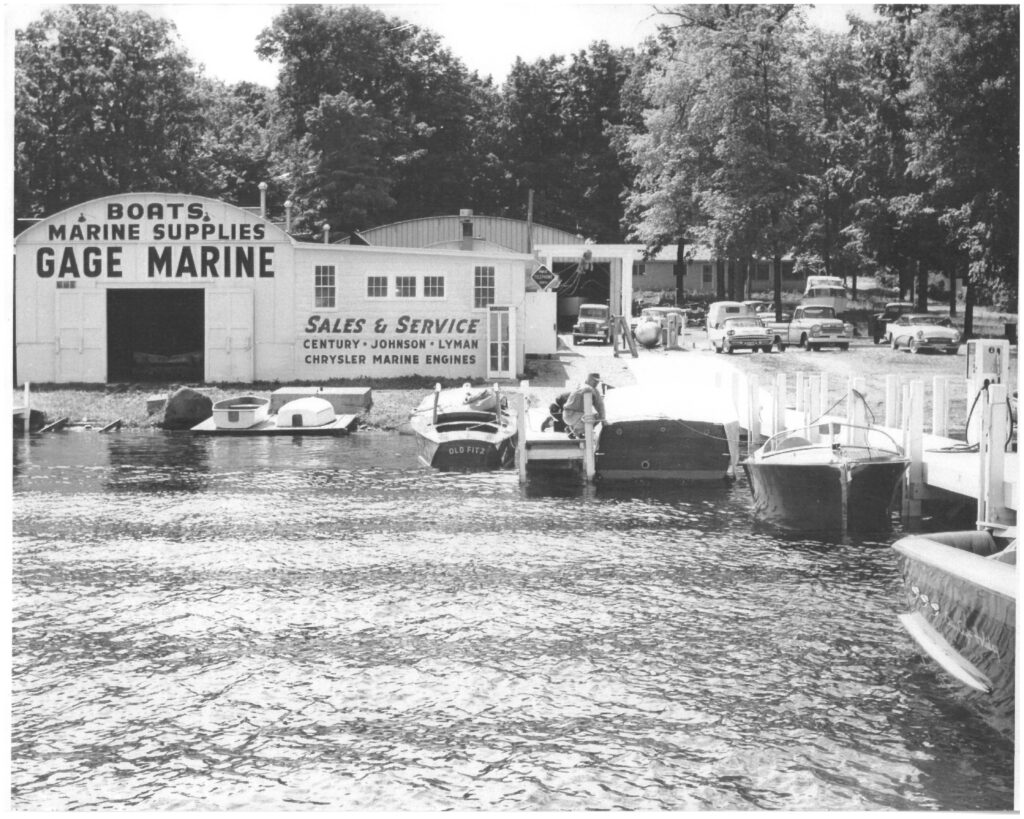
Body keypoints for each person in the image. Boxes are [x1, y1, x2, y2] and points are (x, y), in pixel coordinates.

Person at [561, 373, 605, 437]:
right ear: (590, 379)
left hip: (567, 415)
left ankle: (574, 430)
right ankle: (577, 431)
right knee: (597, 417)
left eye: (598, 381)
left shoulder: (580, 385)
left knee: (593, 416)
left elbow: (599, 405)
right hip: (573, 415)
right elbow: (599, 405)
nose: (597, 383)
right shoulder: (589, 388)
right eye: (595, 381)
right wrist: (603, 420)